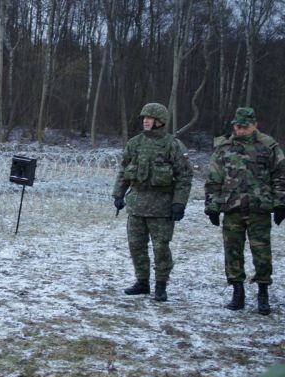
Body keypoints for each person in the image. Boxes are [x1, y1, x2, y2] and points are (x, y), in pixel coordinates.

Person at [204, 107, 285, 315]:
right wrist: (212, 206)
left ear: (254, 125)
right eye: (237, 126)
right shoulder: (224, 148)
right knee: (232, 251)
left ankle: (263, 292)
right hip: (232, 208)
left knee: (262, 252)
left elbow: (280, 176)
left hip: (259, 209)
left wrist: (280, 203)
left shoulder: (268, 146)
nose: (240, 130)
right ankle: (237, 292)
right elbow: (214, 178)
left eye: (244, 127)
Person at [112, 102, 193, 302]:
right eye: (144, 118)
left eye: (150, 118)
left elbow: (184, 176)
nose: (146, 121)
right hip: (137, 205)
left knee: (161, 248)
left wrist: (179, 203)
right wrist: (118, 195)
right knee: (136, 246)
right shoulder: (135, 143)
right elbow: (123, 170)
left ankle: (161, 285)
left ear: (160, 121)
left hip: (162, 208)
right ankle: (142, 282)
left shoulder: (172, 145)